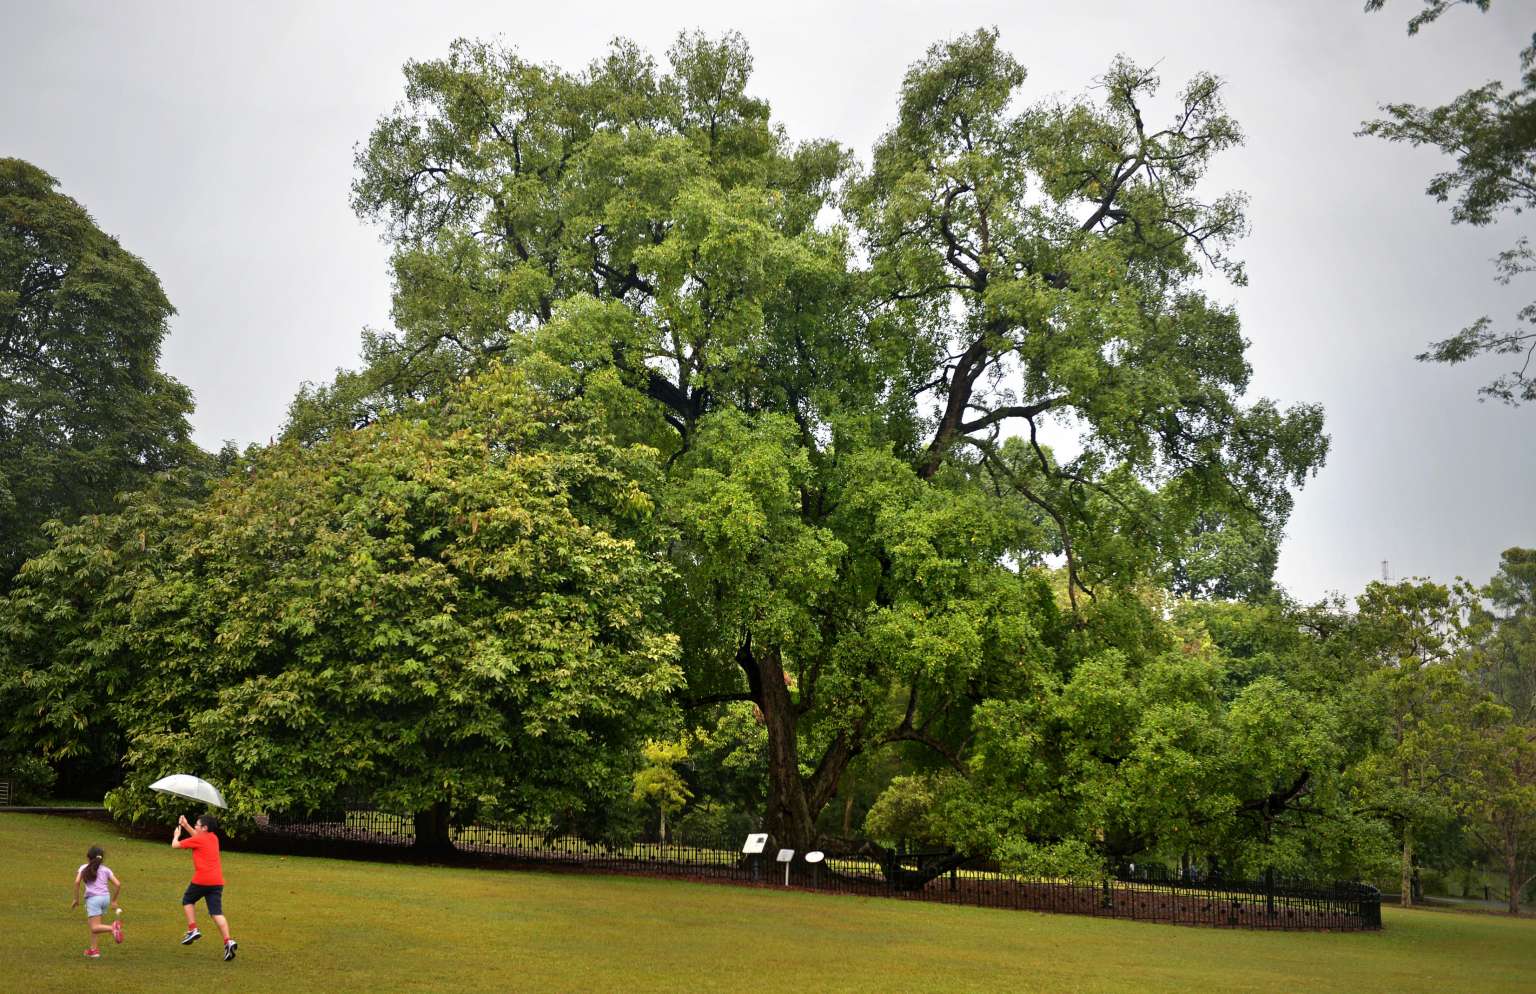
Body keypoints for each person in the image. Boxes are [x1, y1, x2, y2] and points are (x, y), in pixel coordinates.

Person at [172, 813, 237, 961]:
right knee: (216, 913)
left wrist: (177, 835)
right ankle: (228, 941)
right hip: (217, 882)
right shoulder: (213, 838)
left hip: (202, 880)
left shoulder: (198, 839)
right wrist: (186, 825)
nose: (195, 826)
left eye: (197, 824)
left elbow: (175, 845)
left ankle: (192, 928)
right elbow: (197, 836)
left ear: (204, 827)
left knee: (187, 900)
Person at [70, 845, 123, 959]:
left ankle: (113, 928)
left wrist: (76, 899)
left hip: (93, 900)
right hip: (105, 898)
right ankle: (93, 950)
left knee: (95, 927)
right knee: (95, 924)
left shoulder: (84, 867)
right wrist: (114, 901)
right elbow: (118, 884)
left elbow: (77, 882)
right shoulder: (106, 870)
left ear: (88, 857)